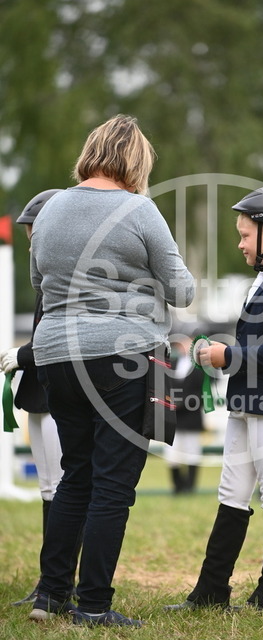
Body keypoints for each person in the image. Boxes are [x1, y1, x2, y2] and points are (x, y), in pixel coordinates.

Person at [28, 114, 195, 627]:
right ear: (136, 161)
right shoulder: (139, 210)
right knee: (113, 484)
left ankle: (50, 596)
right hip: (122, 354)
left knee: (75, 475)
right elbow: (183, 290)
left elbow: (38, 280)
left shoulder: (51, 207)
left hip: (56, 353)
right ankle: (94, 605)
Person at [165, 185, 263, 612]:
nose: (240, 243)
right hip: (247, 403)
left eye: (245, 235)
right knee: (231, 493)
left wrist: (226, 355)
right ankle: (211, 591)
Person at [1, 189, 66, 606]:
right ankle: (49, 580)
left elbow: (57, 337)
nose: (31, 246)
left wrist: (23, 355)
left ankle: (59, 582)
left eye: (33, 236)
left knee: (61, 488)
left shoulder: (63, 280)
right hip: (40, 394)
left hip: (60, 392)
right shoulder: (44, 279)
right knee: (47, 488)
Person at [165, 335, 205, 494]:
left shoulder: (201, 368)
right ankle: (177, 486)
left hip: (191, 416)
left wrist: (183, 403)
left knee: (192, 452)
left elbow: (201, 393)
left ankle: (190, 486)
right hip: (173, 417)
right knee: (172, 453)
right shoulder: (172, 364)